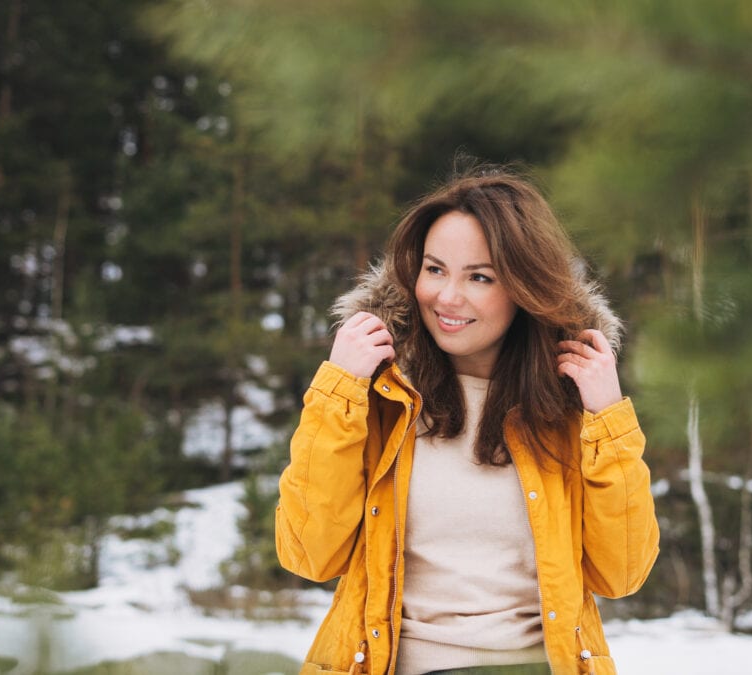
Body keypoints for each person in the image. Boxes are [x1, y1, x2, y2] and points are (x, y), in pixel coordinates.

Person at [275, 165, 659, 675]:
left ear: (525, 287)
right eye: (434, 270)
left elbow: (623, 573)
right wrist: (338, 391)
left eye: (479, 277)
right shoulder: (379, 397)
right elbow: (308, 553)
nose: (446, 297)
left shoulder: (569, 408)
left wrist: (608, 417)